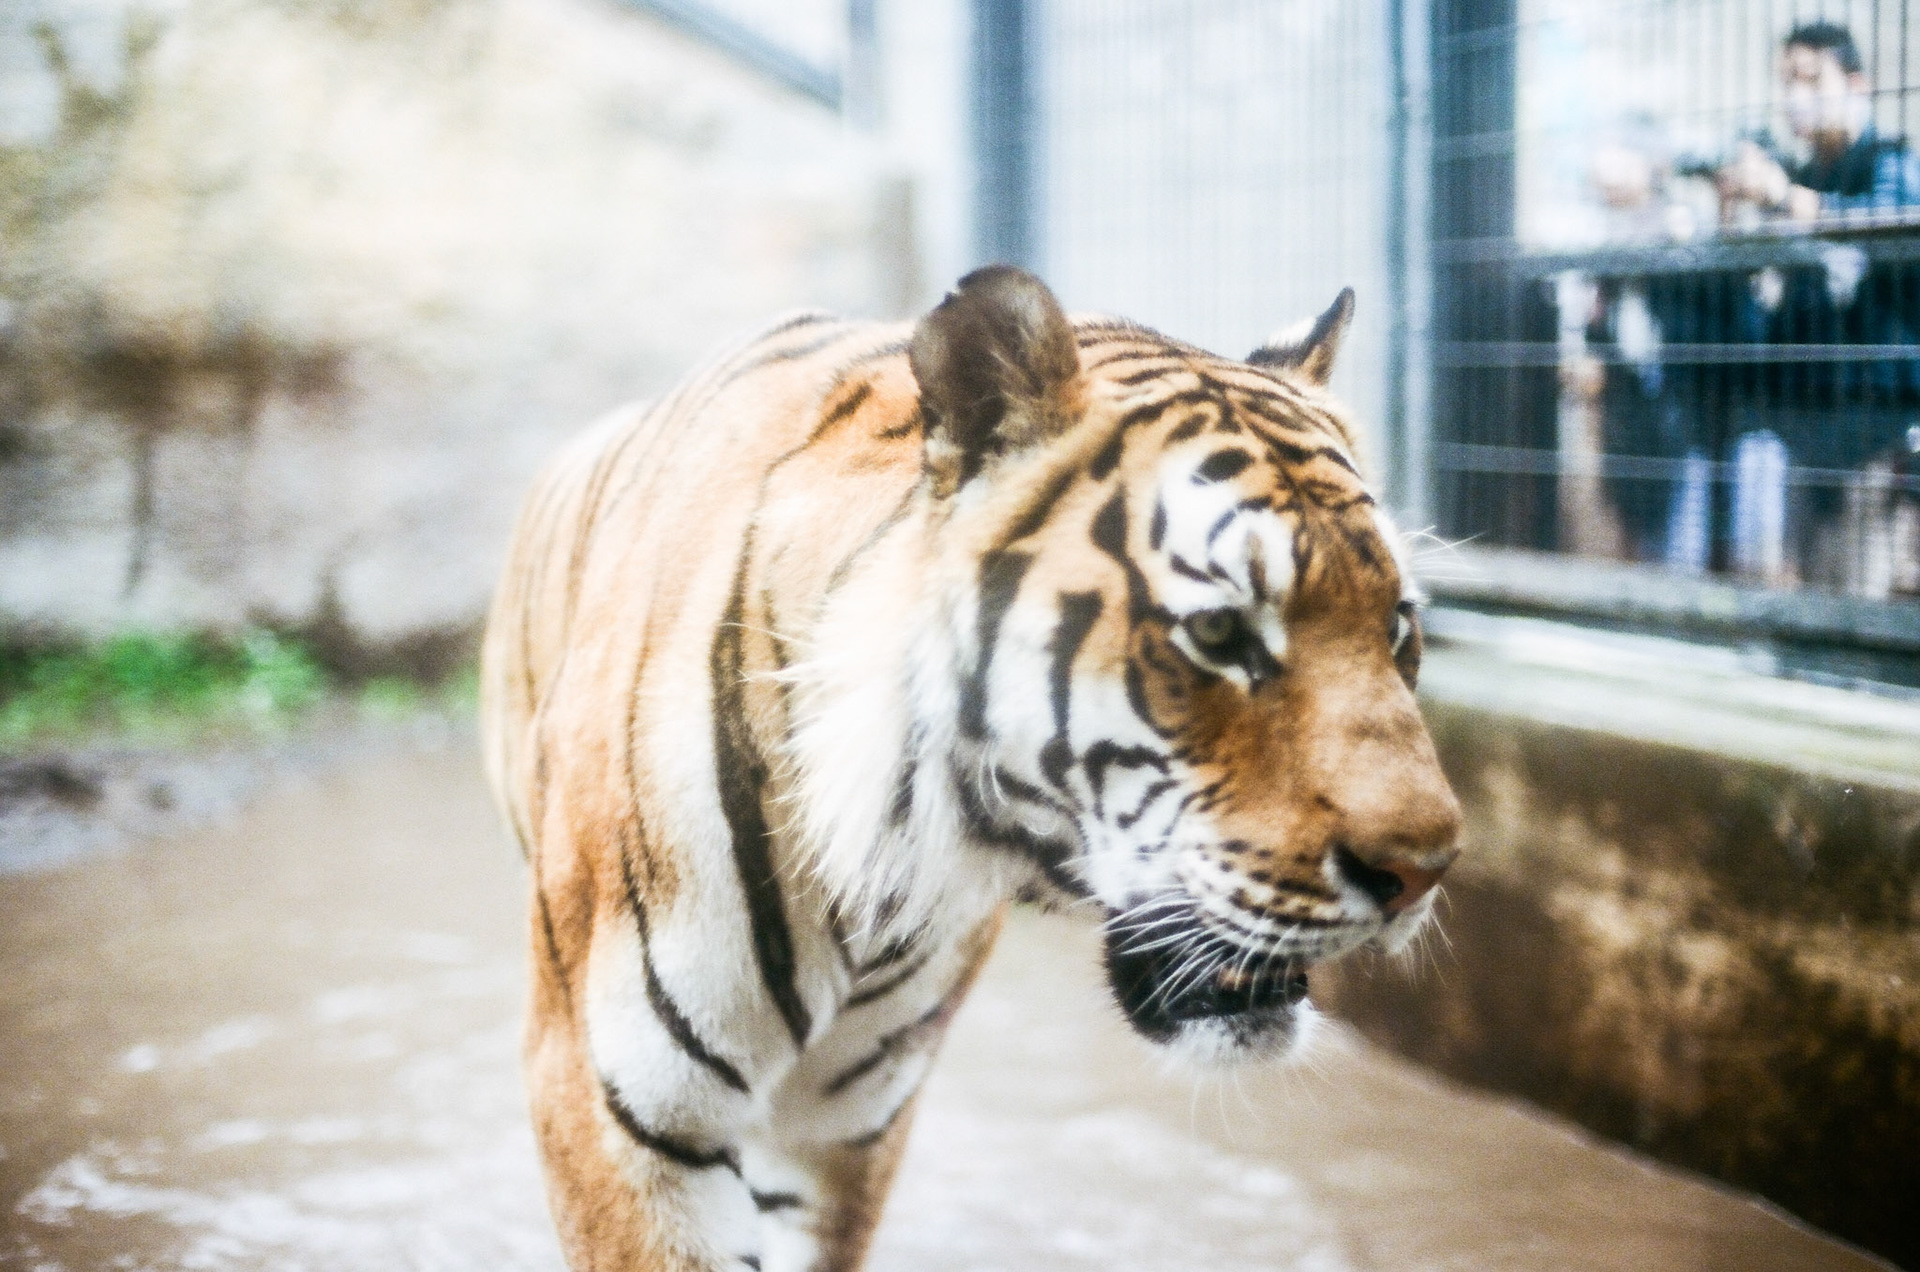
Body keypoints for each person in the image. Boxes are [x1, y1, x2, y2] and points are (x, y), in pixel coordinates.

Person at [1717, 21, 1920, 222]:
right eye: (1787, 83)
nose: (1794, 97)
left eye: (1812, 79)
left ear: (1857, 87)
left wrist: (1786, 198)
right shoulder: (1811, 173)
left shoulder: (1891, 158)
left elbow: (1894, 224)